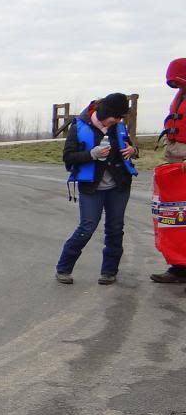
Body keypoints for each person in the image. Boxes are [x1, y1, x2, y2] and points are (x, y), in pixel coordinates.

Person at [56, 93, 138, 285]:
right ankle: (63, 269)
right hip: (91, 187)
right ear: (105, 112)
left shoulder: (118, 127)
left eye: (120, 118)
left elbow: (132, 148)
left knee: (115, 229)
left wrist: (133, 151)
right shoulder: (79, 126)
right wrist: (91, 155)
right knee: (87, 227)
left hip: (119, 186)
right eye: (115, 117)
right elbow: (68, 157)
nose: (117, 121)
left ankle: (109, 272)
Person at [151, 57, 186, 285]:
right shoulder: (181, 95)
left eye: (177, 82)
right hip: (175, 162)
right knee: (173, 216)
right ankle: (179, 267)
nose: (175, 87)